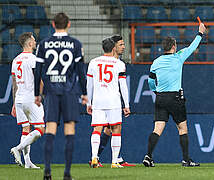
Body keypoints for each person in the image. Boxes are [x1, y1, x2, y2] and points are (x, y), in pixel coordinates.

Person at [142, 23, 206, 167]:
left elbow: (150, 81)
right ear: (173, 47)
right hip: (175, 98)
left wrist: (156, 91)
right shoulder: (179, 58)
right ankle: (185, 159)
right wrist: (200, 33)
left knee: (157, 129)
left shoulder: (156, 62)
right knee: (182, 128)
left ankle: (148, 156)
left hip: (160, 98)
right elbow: (192, 47)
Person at [34, 12, 87, 180]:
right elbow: (81, 72)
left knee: (50, 130)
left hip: (51, 92)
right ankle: (67, 173)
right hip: (69, 92)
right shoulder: (75, 44)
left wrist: (37, 93)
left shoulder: (43, 44)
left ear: (52, 24)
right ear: (69, 24)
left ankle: (47, 172)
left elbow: (38, 72)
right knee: (69, 130)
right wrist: (85, 93)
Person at [88, 35, 135, 167]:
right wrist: (126, 104)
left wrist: (88, 102)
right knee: (116, 129)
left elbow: (89, 84)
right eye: (120, 45)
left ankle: (94, 158)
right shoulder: (119, 64)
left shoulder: (93, 62)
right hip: (113, 101)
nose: (123, 47)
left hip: (98, 101)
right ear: (113, 48)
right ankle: (114, 161)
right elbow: (123, 86)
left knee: (97, 129)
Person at [10, 32, 45, 169]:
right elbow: (39, 80)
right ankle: (18, 148)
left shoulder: (15, 60)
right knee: (41, 128)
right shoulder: (33, 59)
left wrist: (14, 102)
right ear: (30, 43)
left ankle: (27, 162)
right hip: (31, 98)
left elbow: (14, 84)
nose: (35, 42)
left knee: (26, 128)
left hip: (19, 99)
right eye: (34, 40)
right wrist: (40, 95)